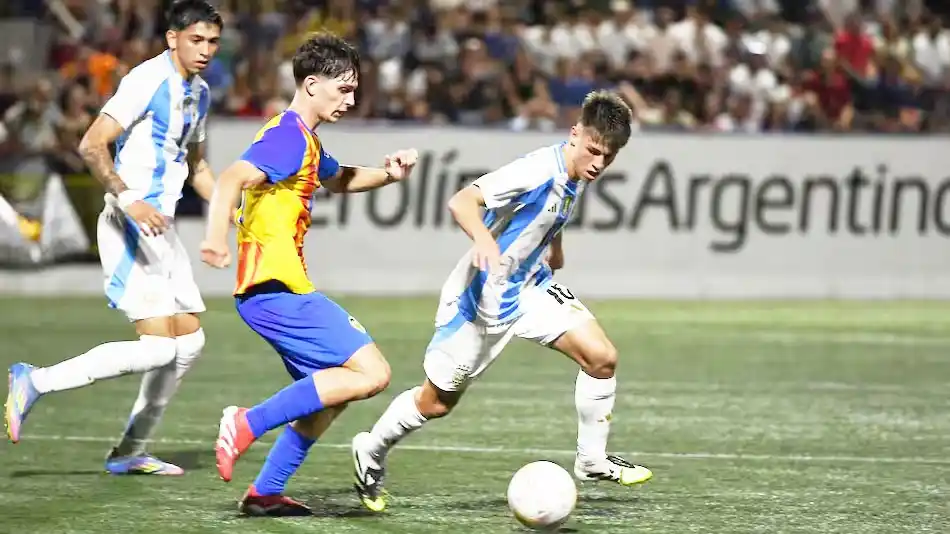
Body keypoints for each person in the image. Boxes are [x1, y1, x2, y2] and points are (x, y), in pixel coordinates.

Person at [350, 90, 654, 513]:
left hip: (530, 286)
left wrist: (555, 247)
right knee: (436, 402)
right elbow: (461, 201)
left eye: (609, 156)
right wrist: (483, 241)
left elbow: (552, 212)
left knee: (602, 358)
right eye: (593, 151)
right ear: (574, 133)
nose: (599, 163)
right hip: (482, 301)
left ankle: (591, 459)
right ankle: (372, 449)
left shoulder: (577, 172)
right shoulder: (534, 170)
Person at [200, 33, 418, 516]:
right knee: (372, 373)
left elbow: (340, 178)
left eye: (354, 89)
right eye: (344, 89)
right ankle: (246, 422)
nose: (352, 99)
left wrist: (391, 175)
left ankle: (265, 493)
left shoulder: (305, 141)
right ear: (312, 84)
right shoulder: (286, 137)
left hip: (274, 290)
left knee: (327, 398)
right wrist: (216, 236)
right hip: (275, 289)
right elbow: (232, 178)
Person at [5, 0, 222, 476]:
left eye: (212, 42)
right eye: (196, 40)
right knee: (160, 348)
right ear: (172, 38)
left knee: (189, 344)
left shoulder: (200, 93)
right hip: (128, 222)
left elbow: (198, 166)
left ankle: (130, 451)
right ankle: (35, 381)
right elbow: (91, 143)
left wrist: (232, 211)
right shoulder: (147, 80)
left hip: (160, 229)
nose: (206, 50)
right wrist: (129, 200)